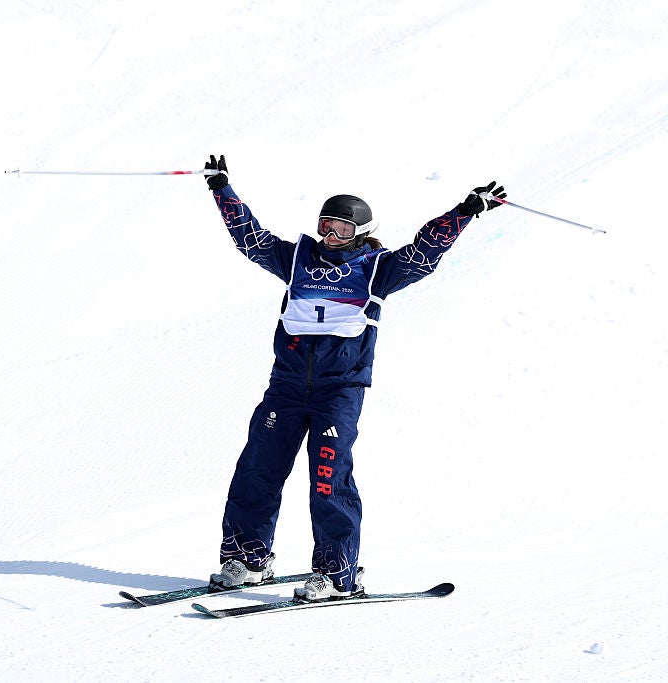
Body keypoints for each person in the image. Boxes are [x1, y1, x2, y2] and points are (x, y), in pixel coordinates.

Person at [202, 154, 505, 600]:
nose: (331, 236)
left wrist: (465, 211)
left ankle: (336, 572)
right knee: (257, 470)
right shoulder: (296, 259)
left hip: (338, 391)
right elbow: (251, 240)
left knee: (328, 477)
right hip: (285, 388)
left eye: (342, 230)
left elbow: (425, 251)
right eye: (326, 225)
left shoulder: (378, 269)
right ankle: (247, 558)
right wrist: (222, 190)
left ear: (360, 233)